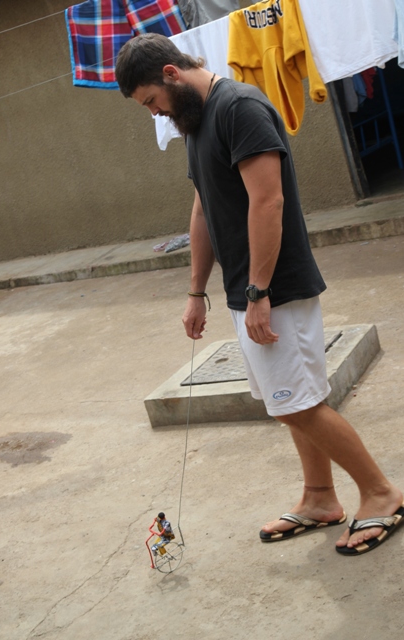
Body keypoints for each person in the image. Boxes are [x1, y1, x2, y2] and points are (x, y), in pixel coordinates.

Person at [115, 33, 404, 556]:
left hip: (276, 286)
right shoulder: (196, 122)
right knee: (290, 400)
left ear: (171, 74)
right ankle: (319, 497)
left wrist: (258, 291)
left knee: (297, 405)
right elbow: (203, 207)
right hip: (246, 288)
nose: (155, 113)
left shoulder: (239, 107)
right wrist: (196, 291)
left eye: (151, 101)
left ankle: (381, 493)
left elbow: (268, 201)